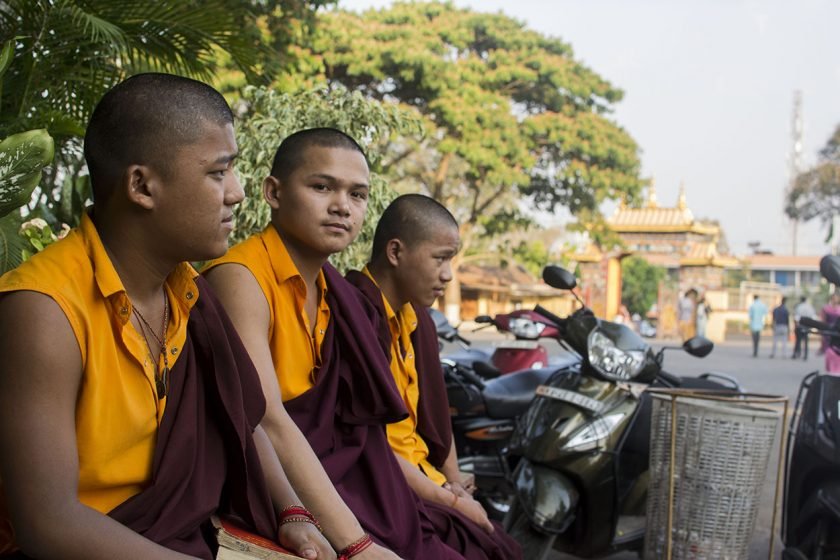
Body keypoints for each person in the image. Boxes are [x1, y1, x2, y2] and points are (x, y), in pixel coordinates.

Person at [0, 74, 333, 559]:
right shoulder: (44, 310)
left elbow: (243, 420)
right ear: (141, 186)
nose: (237, 193)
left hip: (183, 537)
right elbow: (48, 524)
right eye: (219, 172)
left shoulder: (190, 296)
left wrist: (293, 515)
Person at [205, 128, 481, 559]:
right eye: (321, 187)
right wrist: (358, 545)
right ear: (273, 192)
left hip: (344, 481)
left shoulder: (340, 296)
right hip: (273, 486)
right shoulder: (241, 277)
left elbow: (357, 430)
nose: (342, 207)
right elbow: (268, 418)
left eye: (357, 195)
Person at [345, 194, 522, 559]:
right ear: (395, 252)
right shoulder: (351, 316)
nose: (448, 275)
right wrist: (454, 503)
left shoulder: (417, 320)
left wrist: (455, 483)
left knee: (503, 548)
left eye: (451, 260)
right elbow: (364, 444)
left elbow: (436, 417)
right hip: (380, 488)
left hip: (427, 482)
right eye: (440, 258)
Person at [792, 296, 816, 360]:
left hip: (800, 325)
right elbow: (813, 317)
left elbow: (796, 317)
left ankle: (796, 353)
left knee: (798, 340)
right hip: (807, 325)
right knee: (806, 341)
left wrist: (796, 324)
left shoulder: (799, 307)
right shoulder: (810, 307)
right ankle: (805, 355)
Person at [821, 293, 840, 374]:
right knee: (829, 351)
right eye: (834, 298)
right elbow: (823, 321)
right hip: (828, 333)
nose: (835, 300)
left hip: (838, 333)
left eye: (836, 298)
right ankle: (831, 370)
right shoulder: (826, 309)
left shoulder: (839, 309)